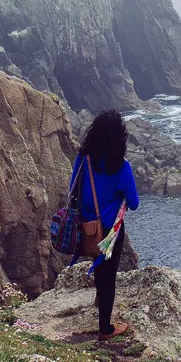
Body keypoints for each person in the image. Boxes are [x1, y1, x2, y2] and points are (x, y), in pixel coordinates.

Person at [73, 109, 140, 341]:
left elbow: (73, 188)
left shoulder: (83, 159)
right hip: (110, 231)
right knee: (109, 276)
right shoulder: (121, 166)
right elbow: (134, 203)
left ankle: (100, 298)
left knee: (98, 263)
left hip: (87, 226)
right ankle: (105, 329)